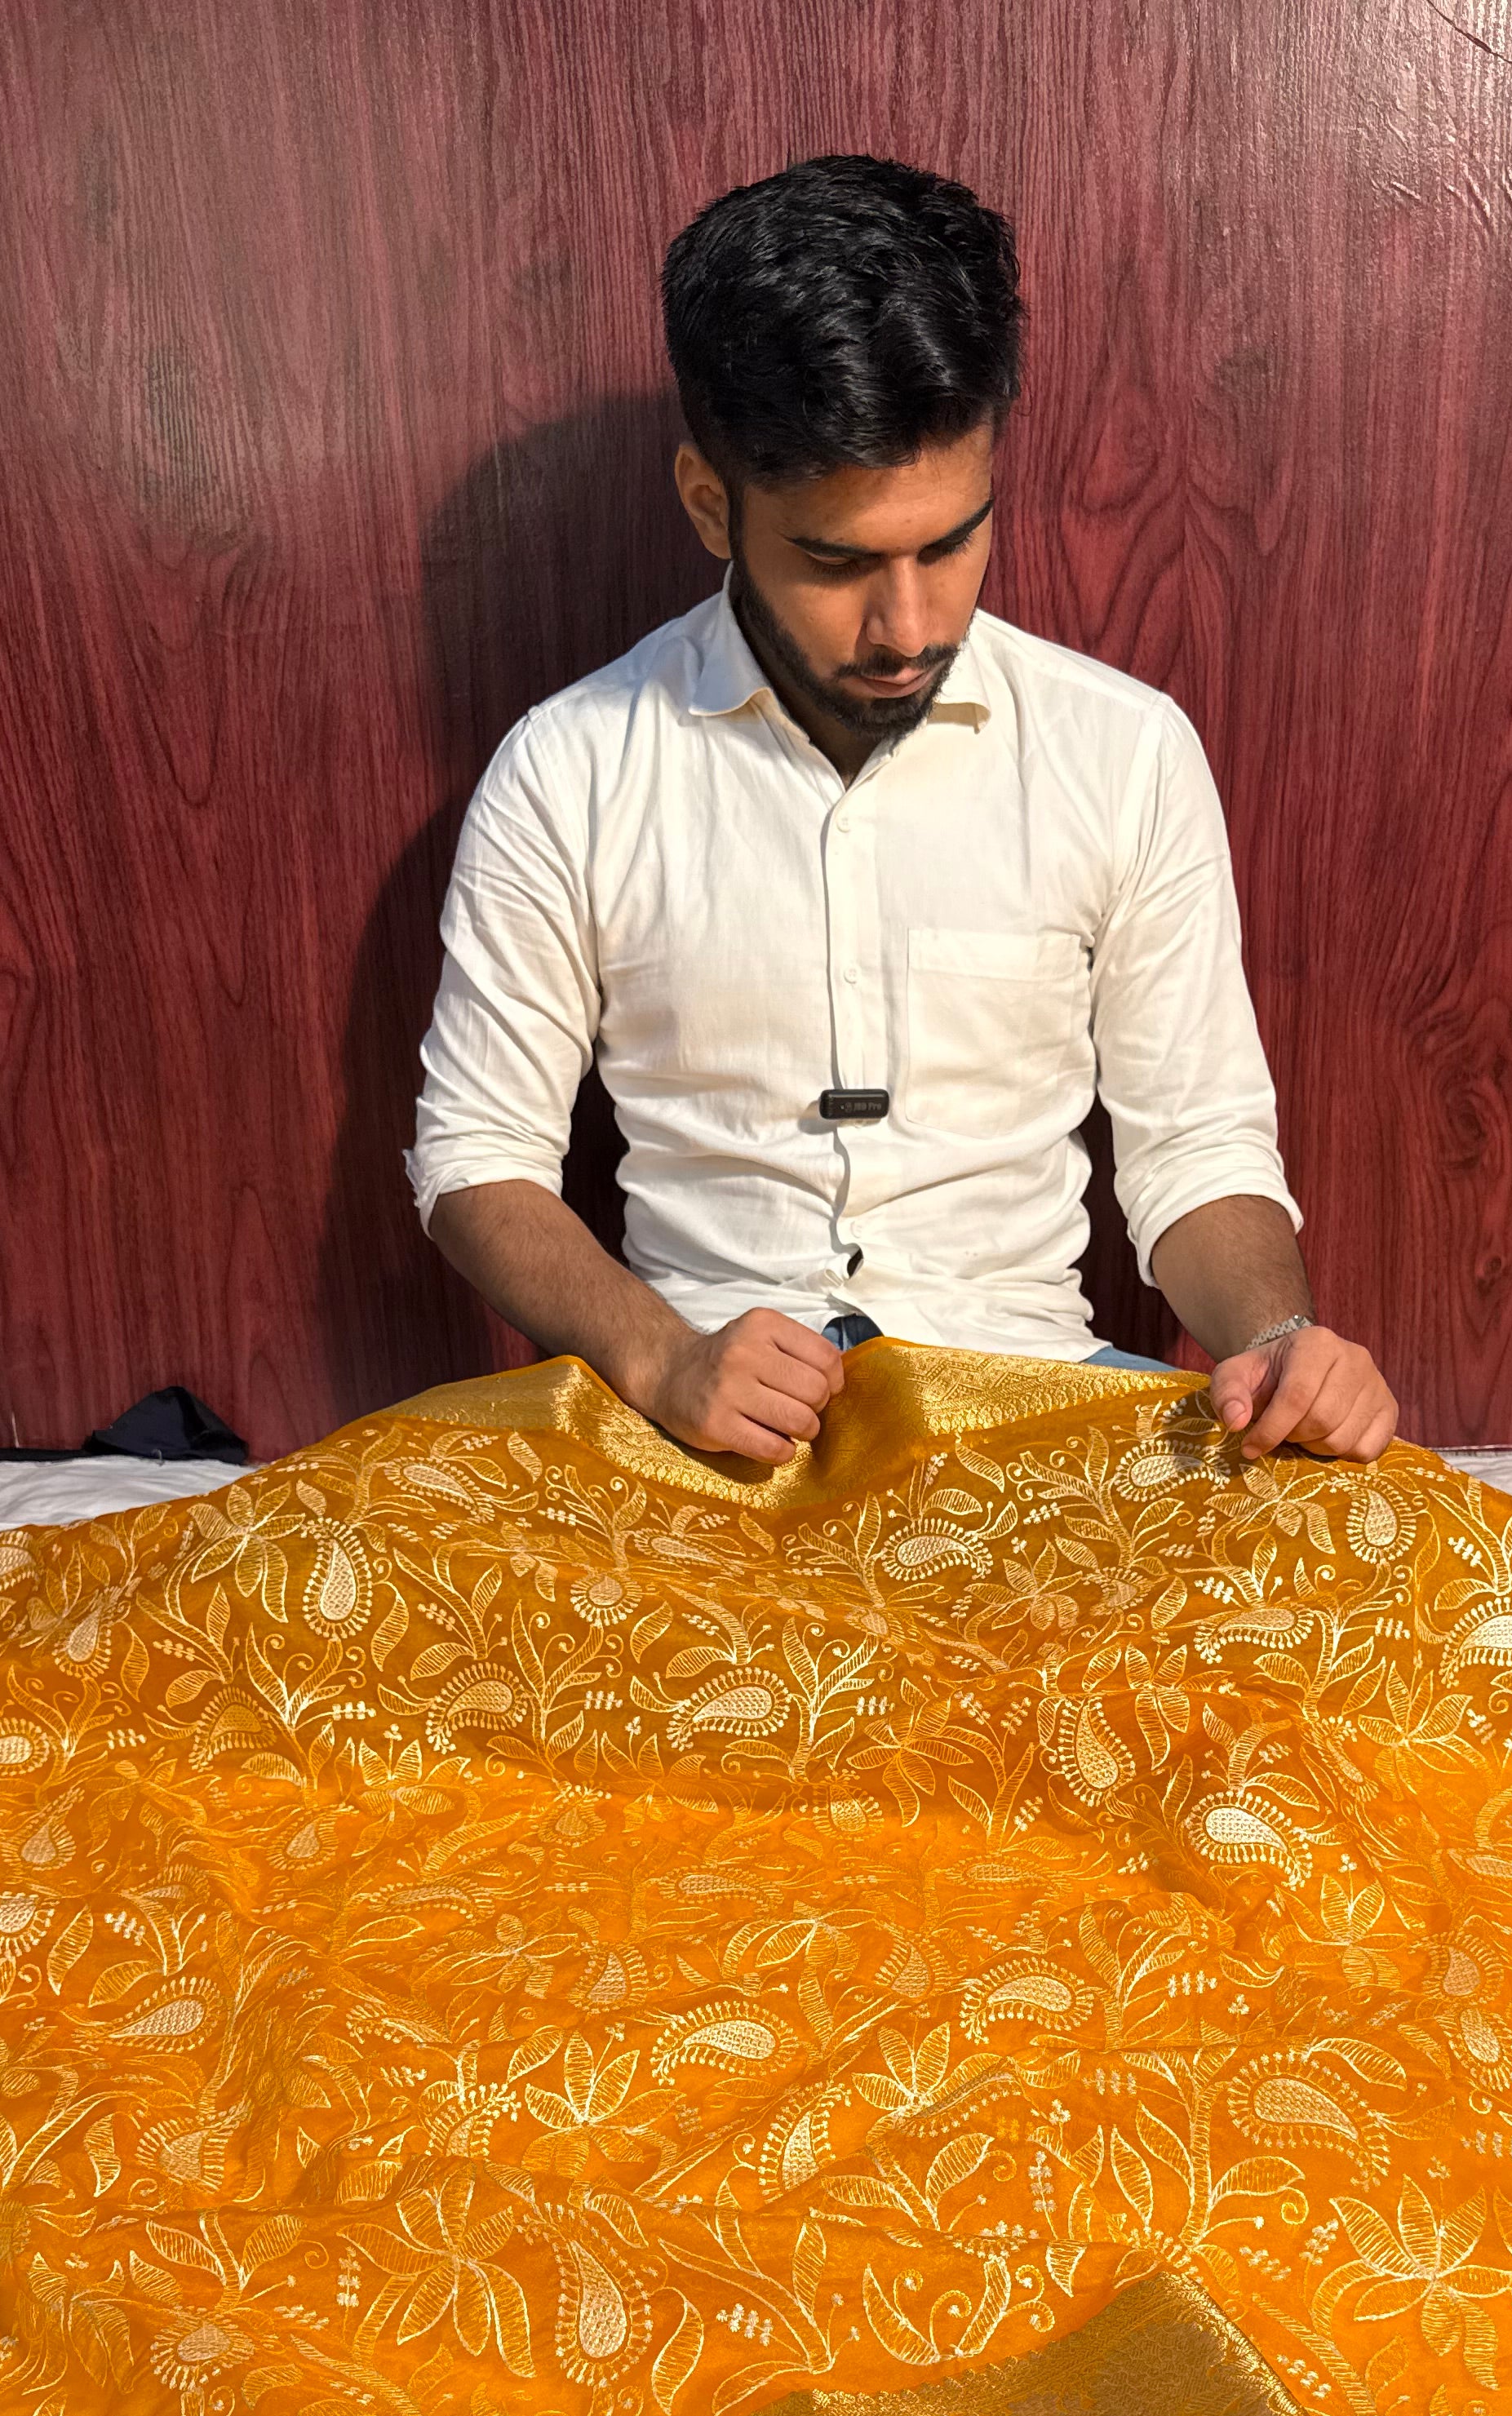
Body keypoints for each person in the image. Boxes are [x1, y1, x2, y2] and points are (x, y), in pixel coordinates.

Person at [407, 154, 1399, 1470]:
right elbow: (477, 1156)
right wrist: (659, 1357)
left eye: (951, 542)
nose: (911, 627)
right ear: (713, 504)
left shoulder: (1124, 750)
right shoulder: (567, 769)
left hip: (1032, 1402)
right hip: (693, 1432)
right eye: (837, 562)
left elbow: (1198, 1149)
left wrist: (1278, 1341)